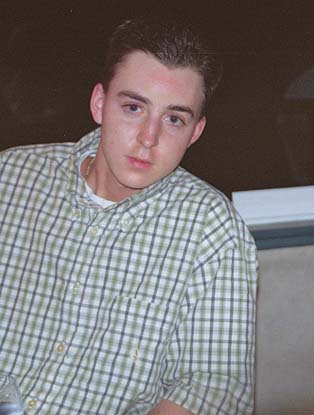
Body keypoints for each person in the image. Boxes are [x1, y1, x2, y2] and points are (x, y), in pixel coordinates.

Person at [0, 18, 257, 414]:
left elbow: (211, 388)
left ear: (195, 132)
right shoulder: (11, 178)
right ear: (99, 104)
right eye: (134, 108)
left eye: (174, 118)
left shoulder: (211, 228)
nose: (148, 138)